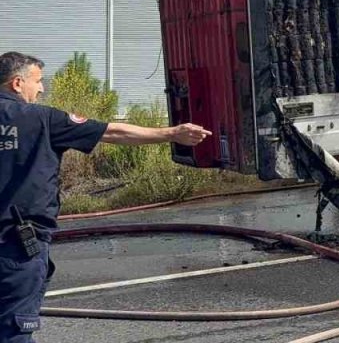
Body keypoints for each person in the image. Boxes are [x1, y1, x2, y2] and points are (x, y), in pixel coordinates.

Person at [0, 52, 210, 342]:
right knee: (14, 329)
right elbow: (113, 132)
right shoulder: (42, 119)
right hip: (16, 245)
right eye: (38, 81)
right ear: (17, 83)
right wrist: (171, 133)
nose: (42, 89)